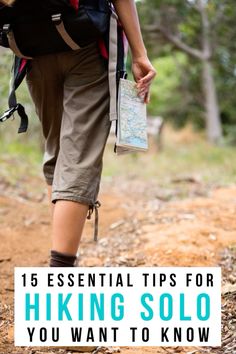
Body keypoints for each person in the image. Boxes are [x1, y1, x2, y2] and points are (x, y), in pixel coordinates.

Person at [24, 0, 157, 269]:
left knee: (58, 151)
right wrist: (140, 54)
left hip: (31, 42)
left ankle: (60, 254)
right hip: (87, 39)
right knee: (77, 157)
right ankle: (60, 274)